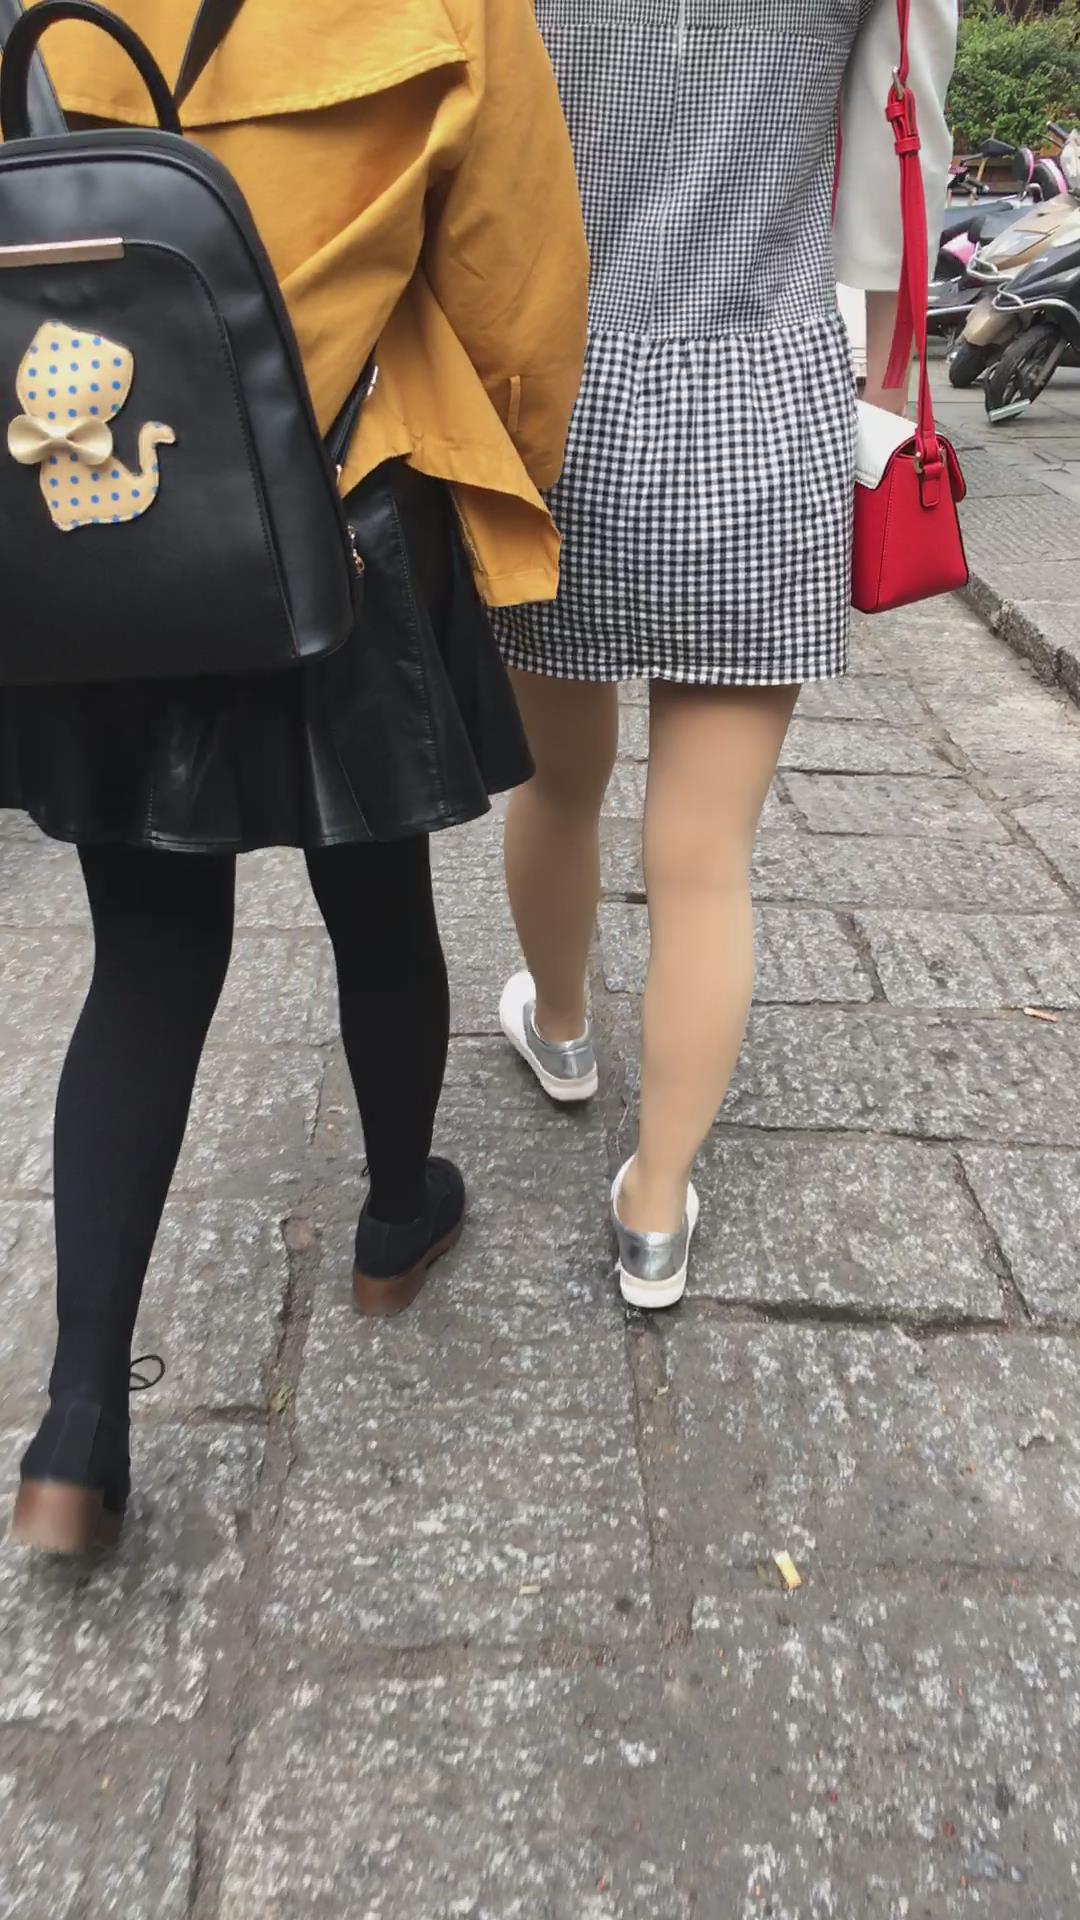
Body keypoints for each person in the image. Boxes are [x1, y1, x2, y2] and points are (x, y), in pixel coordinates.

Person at [1, 0, 587, 1552]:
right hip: (349, 491)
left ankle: (76, 1424)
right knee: (379, 905)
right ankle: (396, 1221)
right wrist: (510, 472)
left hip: (102, 519)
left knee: (144, 958)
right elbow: (517, 282)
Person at [495, 0, 959, 1307]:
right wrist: (885, 389)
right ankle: (654, 1206)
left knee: (557, 783)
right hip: (770, 394)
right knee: (706, 856)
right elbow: (906, 155)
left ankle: (564, 1029)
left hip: (558, 395)